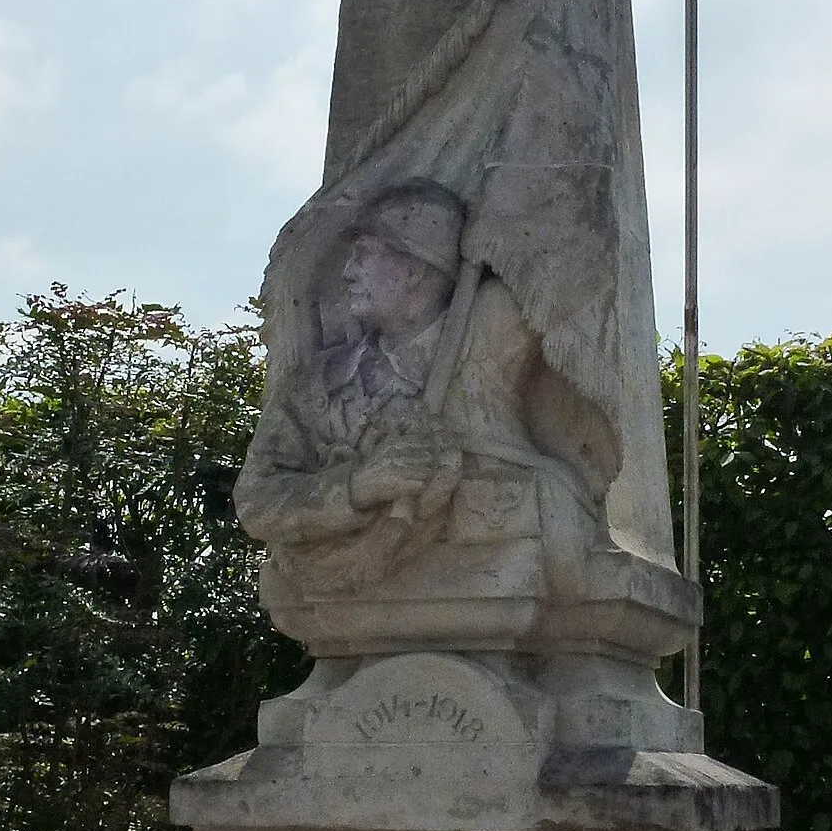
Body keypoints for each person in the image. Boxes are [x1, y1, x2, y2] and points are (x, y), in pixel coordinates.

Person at [237, 179, 616, 619]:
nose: (347, 272)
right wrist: (359, 487)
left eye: (364, 256)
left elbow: (580, 268)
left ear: (414, 269)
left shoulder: (489, 334)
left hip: (495, 565)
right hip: (352, 596)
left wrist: (504, 225)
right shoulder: (316, 384)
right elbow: (257, 500)